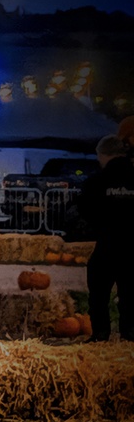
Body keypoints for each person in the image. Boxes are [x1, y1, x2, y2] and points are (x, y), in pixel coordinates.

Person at [78, 134, 134, 342]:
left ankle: (101, 334)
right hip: (132, 245)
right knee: (130, 292)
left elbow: (84, 209)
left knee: (99, 292)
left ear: (103, 154)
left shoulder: (96, 182)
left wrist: (100, 225)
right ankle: (130, 333)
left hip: (108, 244)